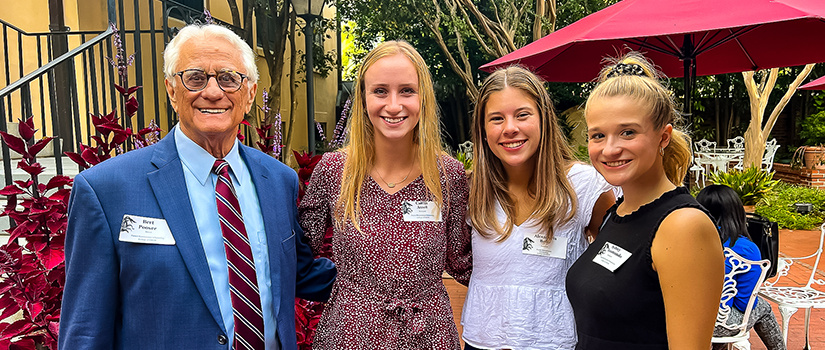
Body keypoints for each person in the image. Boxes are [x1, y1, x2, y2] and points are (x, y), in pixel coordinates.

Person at [58, 23, 336, 350]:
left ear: (249, 94)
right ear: (172, 90)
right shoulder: (106, 189)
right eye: (195, 78)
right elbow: (84, 330)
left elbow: (300, 272)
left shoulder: (279, 180)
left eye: (229, 78)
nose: (213, 92)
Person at [298, 40, 471, 349]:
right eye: (380, 91)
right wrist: (350, 290)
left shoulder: (448, 175)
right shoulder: (336, 171)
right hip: (350, 334)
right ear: (363, 99)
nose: (393, 105)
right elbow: (295, 254)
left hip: (427, 335)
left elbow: (463, 262)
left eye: (407, 91)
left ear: (424, 98)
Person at [565, 51, 725, 349]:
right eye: (597, 135)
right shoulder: (617, 212)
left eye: (627, 132)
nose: (609, 149)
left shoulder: (683, 226)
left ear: (663, 137)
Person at [460, 66, 615, 350]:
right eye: (496, 119)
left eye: (522, 115)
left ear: (543, 118)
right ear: (482, 131)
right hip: (483, 341)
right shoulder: (473, 190)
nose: (510, 128)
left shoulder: (582, 185)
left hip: (557, 341)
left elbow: (615, 260)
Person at [696, 185, 786, 350]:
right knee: (762, 306)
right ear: (737, 211)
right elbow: (744, 303)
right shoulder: (746, 248)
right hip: (722, 324)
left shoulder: (689, 241)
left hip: (686, 319)